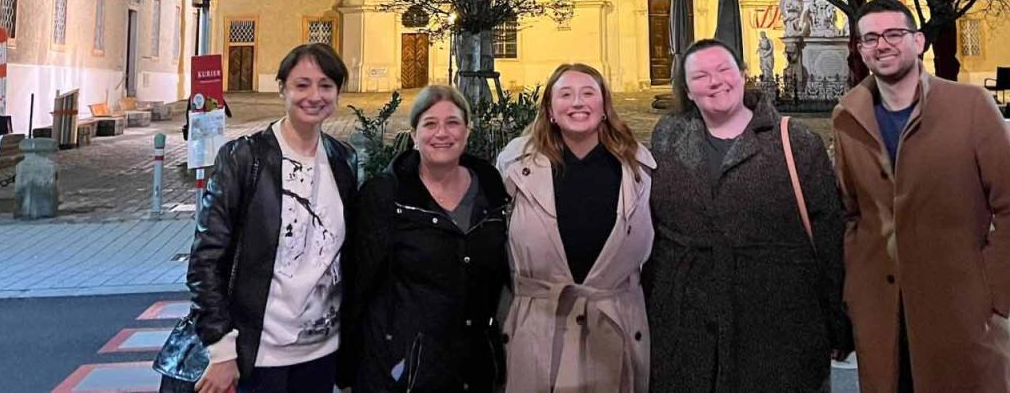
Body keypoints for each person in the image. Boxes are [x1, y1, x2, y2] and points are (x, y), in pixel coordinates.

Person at [831, 0, 1010, 393]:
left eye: (894, 34)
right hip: (883, 314)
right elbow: (850, 213)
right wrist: (856, 292)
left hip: (960, 309)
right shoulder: (848, 117)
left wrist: (992, 295)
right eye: (870, 38)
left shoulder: (969, 106)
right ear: (859, 50)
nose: (882, 45)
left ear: (918, 41)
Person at [646, 38, 848, 393]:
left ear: (743, 75)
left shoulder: (796, 142)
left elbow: (829, 235)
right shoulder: (667, 138)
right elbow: (653, 228)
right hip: (687, 322)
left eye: (724, 70)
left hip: (777, 321)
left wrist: (837, 321)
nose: (715, 81)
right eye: (701, 76)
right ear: (688, 91)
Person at [182, 43, 359, 393]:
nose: (314, 95)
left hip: (321, 353)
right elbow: (206, 259)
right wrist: (221, 351)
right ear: (282, 88)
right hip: (257, 357)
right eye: (302, 84)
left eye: (326, 85)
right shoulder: (244, 158)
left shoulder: (343, 160)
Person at [497, 63, 655, 392]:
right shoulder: (513, 168)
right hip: (538, 333)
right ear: (551, 111)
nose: (578, 103)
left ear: (604, 106)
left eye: (588, 94)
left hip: (614, 330)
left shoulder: (639, 169)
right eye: (565, 95)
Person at [347, 85, 510, 392]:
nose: (442, 133)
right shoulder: (386, 195)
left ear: (467, 131)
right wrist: (350, 370)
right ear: (414, 135)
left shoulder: (491, 193)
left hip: (473, 369)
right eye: (430, 124)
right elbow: (359, 286)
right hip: (404, 373)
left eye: (452, 123)